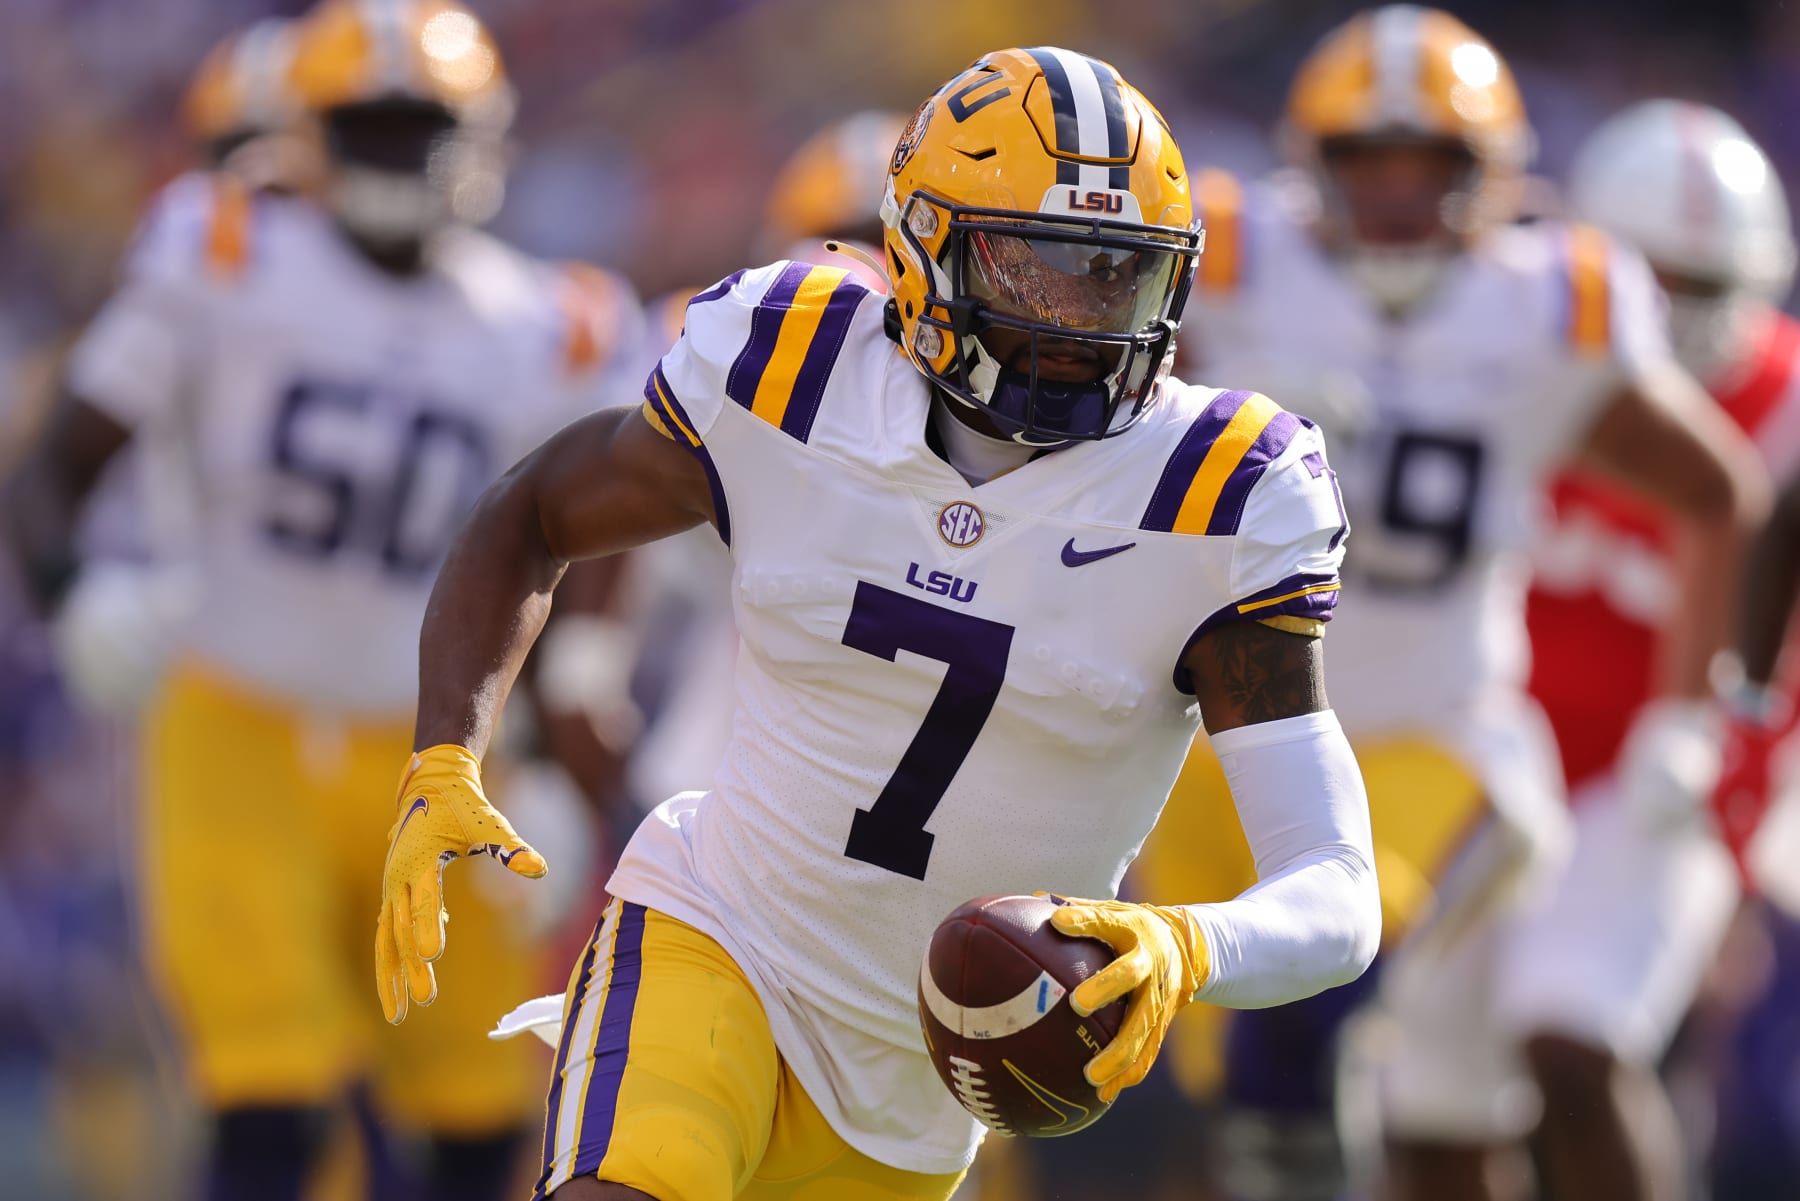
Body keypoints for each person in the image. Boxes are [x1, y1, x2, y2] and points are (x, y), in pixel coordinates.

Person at [376, 46, 1382, 1201]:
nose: (1079, 320)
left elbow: (1336, 890)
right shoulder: (797, 365)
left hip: (926, 1088)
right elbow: (534, 511)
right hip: (718, 936)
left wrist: (1191, 944)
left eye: (1118, 276)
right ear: (921, 251)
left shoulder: (1218, 493)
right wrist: (447, 753)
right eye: (1037, 269)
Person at [0, 3, 643, 1199]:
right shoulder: (225, 258)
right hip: (239, 727)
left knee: (477, 1118)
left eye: (423, 127)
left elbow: (594, 540)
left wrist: (559, 748)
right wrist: (72, 590)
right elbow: (59, 459)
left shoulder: (550, 324)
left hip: (440, 750)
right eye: (372, 125)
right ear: (306, 135)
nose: (400, 155)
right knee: (272, 1105)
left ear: (486, 138)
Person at [1132, 8, 1767, 1201]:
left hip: (1436, 742)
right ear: (1310, 163)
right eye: (1368, 163)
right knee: (1251, 1095)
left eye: (1431, 167)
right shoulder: (1231, 262)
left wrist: (1690, 717)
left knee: (1313, 1012)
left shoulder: (1548, 308)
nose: (1397, 198)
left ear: (1500, 177)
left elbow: (1717, 491)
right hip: (1228, 743)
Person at [1512, 99, 1800, 1201]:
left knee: (1576, 1043)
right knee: (1436, 1094)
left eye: (1704, 282)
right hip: (1491, 756)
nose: (1676, 310)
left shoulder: (1785, 409)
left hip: (1665, 781)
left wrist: (1738, 835)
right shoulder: (1509, 345)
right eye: (1651, 274)